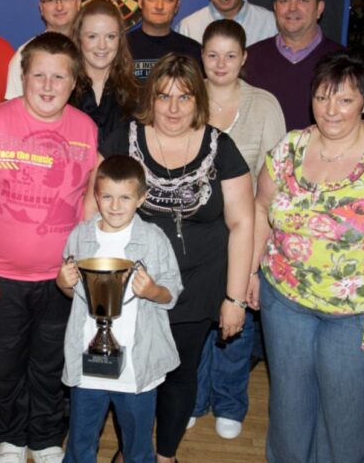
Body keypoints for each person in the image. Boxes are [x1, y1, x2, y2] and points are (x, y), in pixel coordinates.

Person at [250, 51, 364, 463]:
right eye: (322, 97)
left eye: (345, 100)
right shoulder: (290, 148)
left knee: (346, 423)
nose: (331, 110)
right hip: (286, 301)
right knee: (290, 414)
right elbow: (261, 209)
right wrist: (251, 269)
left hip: (363, 312)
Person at [97, 53, 254, 463]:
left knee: (180, 374)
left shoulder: (221, 147)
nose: (173, 108)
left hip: (198, 284)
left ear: (198, 100)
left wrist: (234, 299)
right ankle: (132, 450)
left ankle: (165, 455)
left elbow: (242, 224)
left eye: (184, 98)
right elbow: (92, 207)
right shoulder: (123, 137)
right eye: (164, 96)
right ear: (151, 97)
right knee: (129, 373)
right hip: (131, 284)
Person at [0, 32, 98, 463]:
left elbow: (89, 200)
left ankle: (47, 437)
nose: (49, 85)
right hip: (0, 276)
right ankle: (12, 436)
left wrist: (85, 269)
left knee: (51, 362)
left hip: (62, 280)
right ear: (24, 75)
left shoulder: (85, 129)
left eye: (60, 77)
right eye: (39, 75)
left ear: (74, 83)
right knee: (4, 363)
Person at [190, 19, 286, 439]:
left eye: (231, 55)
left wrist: (257, 263)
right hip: (193, 233)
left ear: (244, 58)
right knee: (194, 320)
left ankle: (229, 402)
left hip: (245, 230)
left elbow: (276, 180)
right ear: (202, 57)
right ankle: (192, 399)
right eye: (213, 54)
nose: (221, 63)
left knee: (237, 320)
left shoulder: (265, 104)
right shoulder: (186, 99)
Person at [57, 155, 183, 463]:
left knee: (138, 448)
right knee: (79, 445)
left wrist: (153, 290)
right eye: (107, 197)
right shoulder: (80, 236)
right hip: (88, 367)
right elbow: (73, 294)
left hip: (137, 369)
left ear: (142, 198)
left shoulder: (153, 239)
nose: (115, 206)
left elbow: (172, 293)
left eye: (125, 197)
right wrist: (62, 282)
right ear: (96, 196)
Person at [243, 0, 343, 130]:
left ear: (319, 8)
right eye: (284, 1)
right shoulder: (249, 59)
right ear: (275, 8)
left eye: (302, 0)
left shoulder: (344, 62)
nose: (292, 8)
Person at [70, 0, 140, 145]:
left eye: (110, 36)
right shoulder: (63, 93)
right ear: (78, 38)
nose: (102, 46)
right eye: (92, 36)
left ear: (120, 40)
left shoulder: (137, 94)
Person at [5, 0, 80, 99]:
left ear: (78, 2)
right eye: (50, 0)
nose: (59, 6)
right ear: (41, 8)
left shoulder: (95, 52)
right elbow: (15, 113)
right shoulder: (24, 55)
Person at [127, 0, 201, 81]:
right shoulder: (120, 48)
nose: (159, 6)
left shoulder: (193, 51)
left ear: (177, 6)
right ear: (140, 2)